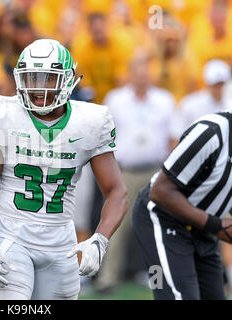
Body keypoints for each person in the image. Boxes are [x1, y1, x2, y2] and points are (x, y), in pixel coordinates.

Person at [0, 39, 128, 300]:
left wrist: (100, 240)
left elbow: (117, 191)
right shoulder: (0, 114)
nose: (38, 87)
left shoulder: (90, 121)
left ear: (67, 80)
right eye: (31, 77)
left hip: (61, 243)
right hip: (11, 236)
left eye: (47, 78)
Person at [95, 49, 176, 293]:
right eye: (138, 74)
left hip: (157, 171)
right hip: (125, 171)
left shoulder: (164, 100)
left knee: (158, 227)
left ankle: (158, 280)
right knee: (116, 223)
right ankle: (108, 278)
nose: (142, 78)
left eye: (145, 74)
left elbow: (173, 138)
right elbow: (103, 137)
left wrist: (171, 173)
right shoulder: (115, 99)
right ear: (130, 75)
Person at [132, 110, 232, 300]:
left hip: (202, 229)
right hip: (159, 219)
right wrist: (217, 226)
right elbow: (160, 192)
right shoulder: (211, 132)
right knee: (172, 295)